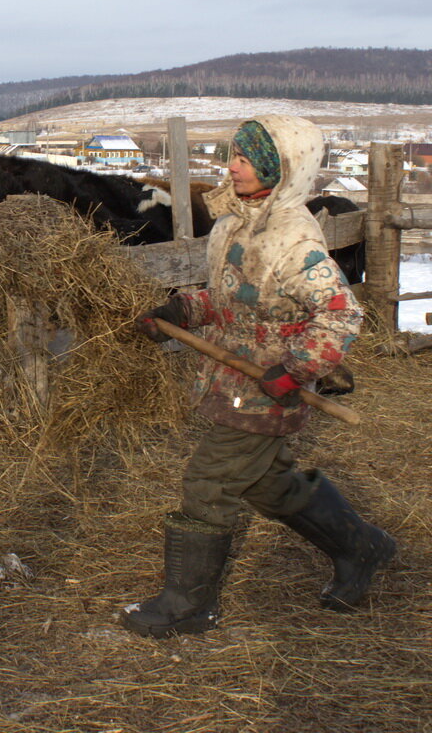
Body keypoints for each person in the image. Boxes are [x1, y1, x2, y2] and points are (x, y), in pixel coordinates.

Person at [119, 114, 396, 639]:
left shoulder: (293, 239)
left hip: (265, 387)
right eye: (233, 156)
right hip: (230, 377)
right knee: (268, 485)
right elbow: (231, 298)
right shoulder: (235, 222)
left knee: (209, 482)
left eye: (245, 159)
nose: (232, 167)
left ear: (278, 167)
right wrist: (182, 311)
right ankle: (362, 547)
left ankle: (188, 605)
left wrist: (295, 371)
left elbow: (341, 314)